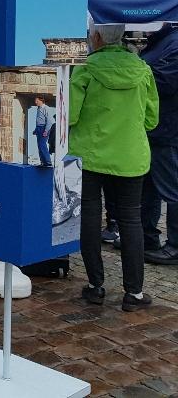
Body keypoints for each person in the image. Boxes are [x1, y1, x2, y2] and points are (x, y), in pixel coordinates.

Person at [70, 24, 159, 311]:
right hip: (130, 156)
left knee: (89, 217)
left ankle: (95, 286)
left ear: (96, 37)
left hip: (90, 155)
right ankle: (134, 293)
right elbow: (151, 119)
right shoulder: (143, 69)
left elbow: (71, 115)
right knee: (131, 220)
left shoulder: (85, 68)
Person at [140, 24, 178, 265]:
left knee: (172, 189)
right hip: (155, 129)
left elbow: (165, 82)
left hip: (168, 130)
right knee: (149, 187)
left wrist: (137, 71)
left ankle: (175, 246)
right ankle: (146, 237)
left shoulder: (173, 43)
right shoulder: (161, 41)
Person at [33, 94, 53, 167]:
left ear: (41, 100)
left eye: (37, 101)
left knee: (42, 144)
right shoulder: (38, 108)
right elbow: (39, 120)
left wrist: (46, 130)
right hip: (39, 128)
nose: (35, 102)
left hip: (44, 128)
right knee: (39, 146)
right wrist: (36, 129)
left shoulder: (46, 108)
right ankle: (43, 162)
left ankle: (48, 161)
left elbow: (49, 120)